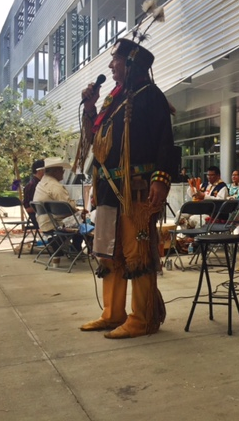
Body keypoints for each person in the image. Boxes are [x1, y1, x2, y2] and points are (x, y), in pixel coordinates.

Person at [77, 29, 176, 339]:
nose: (111, 67)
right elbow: (95, 141)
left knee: (138, 253)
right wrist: (91, 107)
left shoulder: (150, 95)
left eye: (115, 60)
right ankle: (113, 313)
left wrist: (161, 179)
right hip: (109, 188)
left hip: (137, 190)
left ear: (132, 63)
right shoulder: (113, 100)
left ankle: (143, 318)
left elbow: (166, 142)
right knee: (109, 251)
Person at [23, 159, 45, 228]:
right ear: (39, 171)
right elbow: (28, 207)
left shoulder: (41, 183)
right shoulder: (32, 185)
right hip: (39, 218)